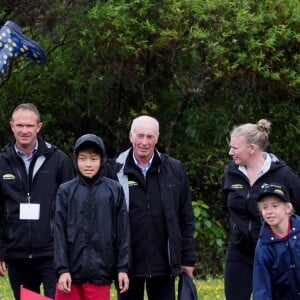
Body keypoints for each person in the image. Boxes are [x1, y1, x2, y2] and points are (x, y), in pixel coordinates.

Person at [106, 115, 196, 300]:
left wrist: (188, 258)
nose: (144, 142)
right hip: (127, 265)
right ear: (131, 136)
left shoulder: (174, 169)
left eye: (150, 136)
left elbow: (185, 218)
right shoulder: (113, 170)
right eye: (140, 136)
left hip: (164, 265)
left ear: (158, 137)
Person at [0, 103, 74, 300]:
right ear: (12, 126)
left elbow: (71, 210)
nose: (25, 130)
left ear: (39, 127)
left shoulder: (59, 160)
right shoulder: (2, 161)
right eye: (20, 125)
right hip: (17, 253)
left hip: (52, 253)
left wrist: (68, 251)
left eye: (30, 126)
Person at [221, 119, 300, 300]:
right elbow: (225, 206)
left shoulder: (284, 174)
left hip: (275, 251)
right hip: (240, 251)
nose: (230, 152)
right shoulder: (230, 173)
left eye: (235, 148)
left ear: (252, 148)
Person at [54, 133, 130, 300]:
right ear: (76, 160)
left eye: (93, 159)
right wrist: (62, 269)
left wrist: (122, 268)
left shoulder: (114, 190)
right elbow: (58, 232)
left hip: (100, 275)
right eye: (83, 159)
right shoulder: (65, 191)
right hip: (70, 276)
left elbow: (123, 232)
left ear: (102, 160)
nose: (88, 164)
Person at [253, 183, 300, 299]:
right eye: (265, 207)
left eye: (275, 206)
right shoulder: (263, 246)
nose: (269, 211)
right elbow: (261, 288)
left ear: (287, 208)